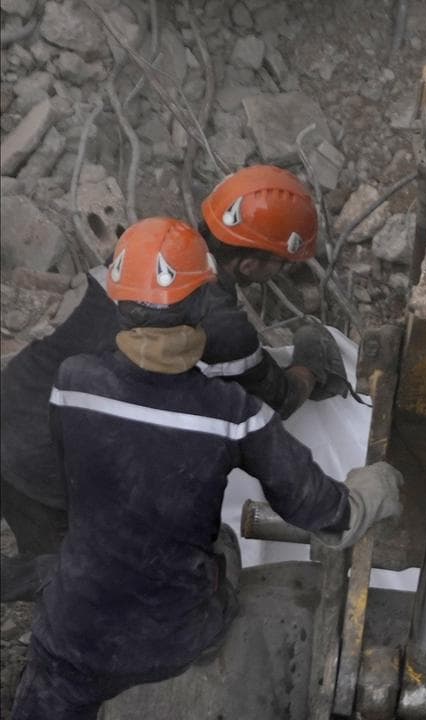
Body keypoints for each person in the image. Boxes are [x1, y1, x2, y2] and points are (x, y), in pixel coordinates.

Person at [10, 218, 403, 720]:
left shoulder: (72, 382)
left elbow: (97, 471)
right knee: (223, 545)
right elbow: (324, 514)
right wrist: (373, 489)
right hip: (175, 634)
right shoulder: (234, 415)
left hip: (74, 627)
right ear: (202, 306)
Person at [0, 165, 344, 602]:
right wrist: (310, 365)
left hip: (16, 399)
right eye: (279, 264)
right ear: (250, 262)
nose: (280, 273)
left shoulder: (149, 248)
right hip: (51, 460)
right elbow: (277, 399)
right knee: (89, 589)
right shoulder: (218, 322)